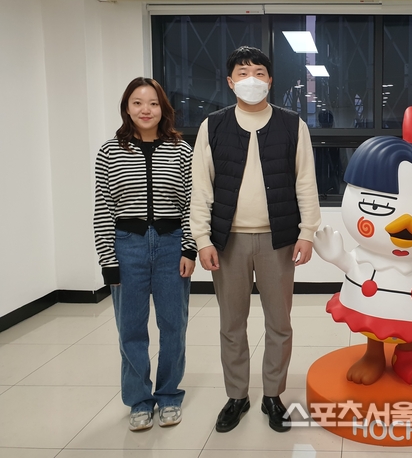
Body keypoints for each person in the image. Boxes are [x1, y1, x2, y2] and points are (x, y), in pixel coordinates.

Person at [190, 46, 321, 433]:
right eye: (243, 73)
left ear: (270, 80)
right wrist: (202, 239)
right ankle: (237, 396)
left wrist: (308, 232)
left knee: (279, 323)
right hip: (227, 241)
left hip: (278, 240)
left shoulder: (292, 124)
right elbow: (201, 187)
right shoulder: (213, 126)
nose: (251, 79)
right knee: (232, 324)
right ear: (230, 82)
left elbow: (305, 181)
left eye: (259, 72)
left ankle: (273, 395)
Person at [94, 77, 196, 431]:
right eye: (137, 103)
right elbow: (103, 208)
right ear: (127, 108)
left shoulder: (181, 150)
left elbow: (192, 204)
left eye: (152, 103)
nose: (145, 110)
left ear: (162, 108)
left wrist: (189, 248)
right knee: (131, 329)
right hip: (127, 246)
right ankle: (139, 400)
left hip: (171, 245)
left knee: (174, 326)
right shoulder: (109, 151)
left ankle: (169, 396)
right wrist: (108, 261)